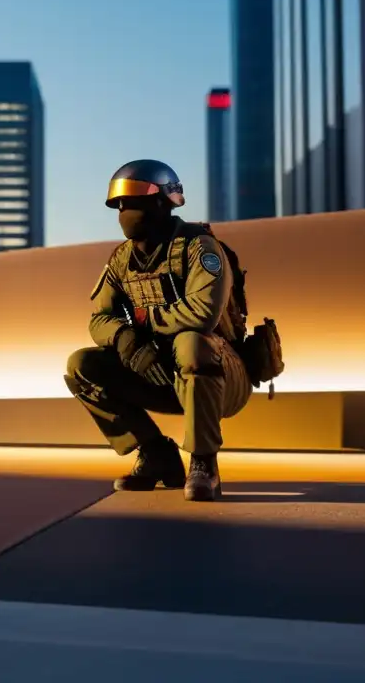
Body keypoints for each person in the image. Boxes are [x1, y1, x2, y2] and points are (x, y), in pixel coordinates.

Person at [64, 159, 254, 502]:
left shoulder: (199, 248)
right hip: (158, 370)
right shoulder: (122, 260)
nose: (124, 211)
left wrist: (141, 324)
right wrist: (125, 340)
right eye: (120, 204)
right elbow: (99, 318)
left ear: (163, 202)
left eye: (133, 202)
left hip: (220, 374)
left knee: (192, 343)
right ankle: (157, 456)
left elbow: (202, 314)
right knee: (81, 365)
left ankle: (204, 463)